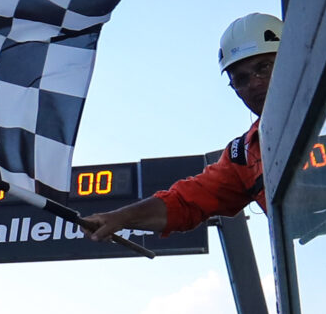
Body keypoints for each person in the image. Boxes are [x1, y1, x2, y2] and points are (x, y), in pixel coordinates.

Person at [85, 14, 278, 244]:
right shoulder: (244, 155)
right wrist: (119, 217)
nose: (254, 83)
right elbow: (184, 202)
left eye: (264, 67)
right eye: (241, 79)